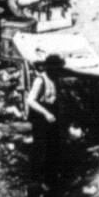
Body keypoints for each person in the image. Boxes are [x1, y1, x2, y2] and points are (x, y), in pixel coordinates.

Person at [26, 53, 65, 185]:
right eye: (55, 69)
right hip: (40, 117)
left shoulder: (56, 79)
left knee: (54, 147)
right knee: (41, 148)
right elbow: (31, 101)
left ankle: (51, 178)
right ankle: (36, 180)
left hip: (52, 115)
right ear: (49, 68)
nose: (57, 72)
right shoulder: (40, 80)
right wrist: (45, 113)